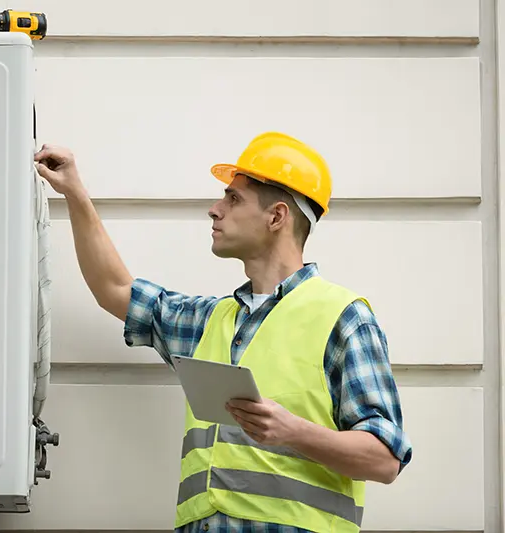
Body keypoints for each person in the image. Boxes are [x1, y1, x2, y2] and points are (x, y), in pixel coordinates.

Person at [34, 131, 412, 533]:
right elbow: (115, 291)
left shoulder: (343, 319)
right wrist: (74, 192)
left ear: (277, 216)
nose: (215, 210)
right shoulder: (209, 321)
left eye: (234, 199)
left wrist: (292, 431)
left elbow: (385, 459)